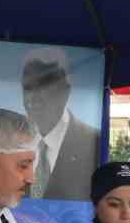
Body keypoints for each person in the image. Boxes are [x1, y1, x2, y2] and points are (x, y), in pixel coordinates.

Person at [21, 48, 99, 201]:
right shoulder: (10, 143)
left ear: (66, 90)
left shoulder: (94, 141)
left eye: (42, 87)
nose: (32, 97)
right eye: (27, 87)